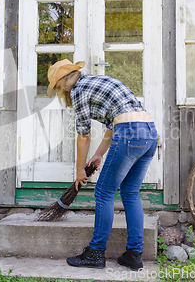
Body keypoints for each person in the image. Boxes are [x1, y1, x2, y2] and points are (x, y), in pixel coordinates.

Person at [47, 59, 158, 270]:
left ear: (64, 79)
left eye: (57, 85)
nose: (59, 90)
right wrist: (99, 154)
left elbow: (83, 136)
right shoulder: (101, 81)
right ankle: (134, 255)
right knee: (130, 193)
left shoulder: (79, 90)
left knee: (104, 192)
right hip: (149, 133)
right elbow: (116, 123)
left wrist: (80, 170)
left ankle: (95, 253)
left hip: (129, 133)